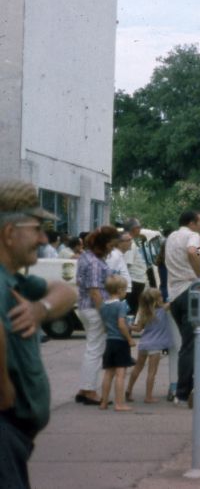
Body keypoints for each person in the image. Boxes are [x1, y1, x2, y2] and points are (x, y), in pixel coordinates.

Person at [0, 180, 79, 489]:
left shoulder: (15, 281)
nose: (43, 238)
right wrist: (3, 386)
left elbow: (66, 292)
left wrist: (40, 309)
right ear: (9, 233)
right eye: (37, 229)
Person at [164, 210, 200, 407]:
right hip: (190, 292)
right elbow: (192, 252)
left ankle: (186, 390)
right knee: (191, 346)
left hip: (174, 295)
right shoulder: (192, 236)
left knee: (186, 344)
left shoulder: (171, 236)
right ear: (192, 223)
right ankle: (184, 393)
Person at [75, 225, 119, 404]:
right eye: (112, 244)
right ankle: (89, 390)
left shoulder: (86, 257)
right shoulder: (95, 262)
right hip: (95, 308)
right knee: (95, 350)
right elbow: (95, 291)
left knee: (92, 348)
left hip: (86, 307)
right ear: (105, 243)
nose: (113, 248)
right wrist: (106, 314)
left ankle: (85, 388)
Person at [97, 275, 135, 411]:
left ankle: (104, 402)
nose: (126, 292)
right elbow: (121, 324)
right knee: (120, 374)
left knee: (108, 373)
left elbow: (106, 325)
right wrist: (129, 338)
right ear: (119, 290)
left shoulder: (102, 306)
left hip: (110, 341)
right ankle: (120, 403)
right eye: (125, 289)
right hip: (120, 342)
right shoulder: (121, 305)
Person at [126, 287, 171, 403]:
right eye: (160, 296)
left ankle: (129, 390)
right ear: (157, 300)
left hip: (144, 344)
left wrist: (128, 326)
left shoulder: (143, 313)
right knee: (152, 372)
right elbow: (174, 301)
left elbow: (138, 329)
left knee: (137, 368)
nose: (162, 297)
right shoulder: (164, 309)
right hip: (155, 346)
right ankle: (148, 396)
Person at [125, 218, 163, 310]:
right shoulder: (130, 244)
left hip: (138, 281)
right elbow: (127, 265)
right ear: (134, 229)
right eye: (139, 227)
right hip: (135, 281)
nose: (140, 229)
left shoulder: (132, 243)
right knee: (133, 309)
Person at [106, 230, 134, 296]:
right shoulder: (114, 256)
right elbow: (109, 275)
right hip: (118, 293)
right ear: (119, 243)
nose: (131, 242)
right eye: (128, 240)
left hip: (123, 291)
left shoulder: (119, 255)